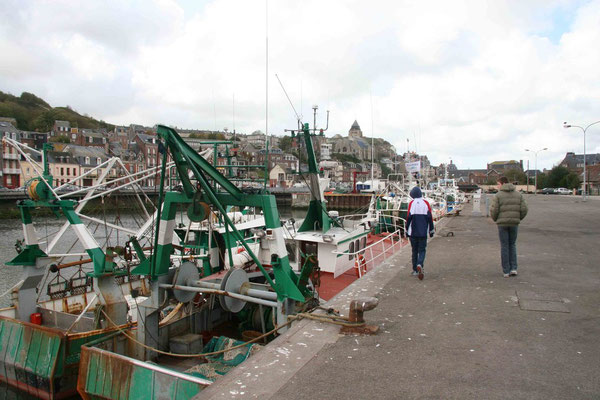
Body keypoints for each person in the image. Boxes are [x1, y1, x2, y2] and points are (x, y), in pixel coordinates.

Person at [489, 176, 528, 278]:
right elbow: (524, 209)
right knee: (512, 245)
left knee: (504, 246)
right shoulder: (518, 195)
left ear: (502, 183)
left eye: (498, 184)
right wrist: (518, 218)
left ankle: (506, 270)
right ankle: (513, 268)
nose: (497, 186)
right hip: (514, 223)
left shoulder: (498, 196)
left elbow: (494, 210)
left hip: (502, 224)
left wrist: (495, 219)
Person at [406, 186, 435, 280]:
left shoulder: (411, 204)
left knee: (414, 251)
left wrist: (406, 230)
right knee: (422, 250)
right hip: (423, 232)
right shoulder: (426, 203)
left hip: (413, 232)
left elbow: (408, 218)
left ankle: (415, 270)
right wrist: (431, 230)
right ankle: (420, 264)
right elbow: (430, 218)